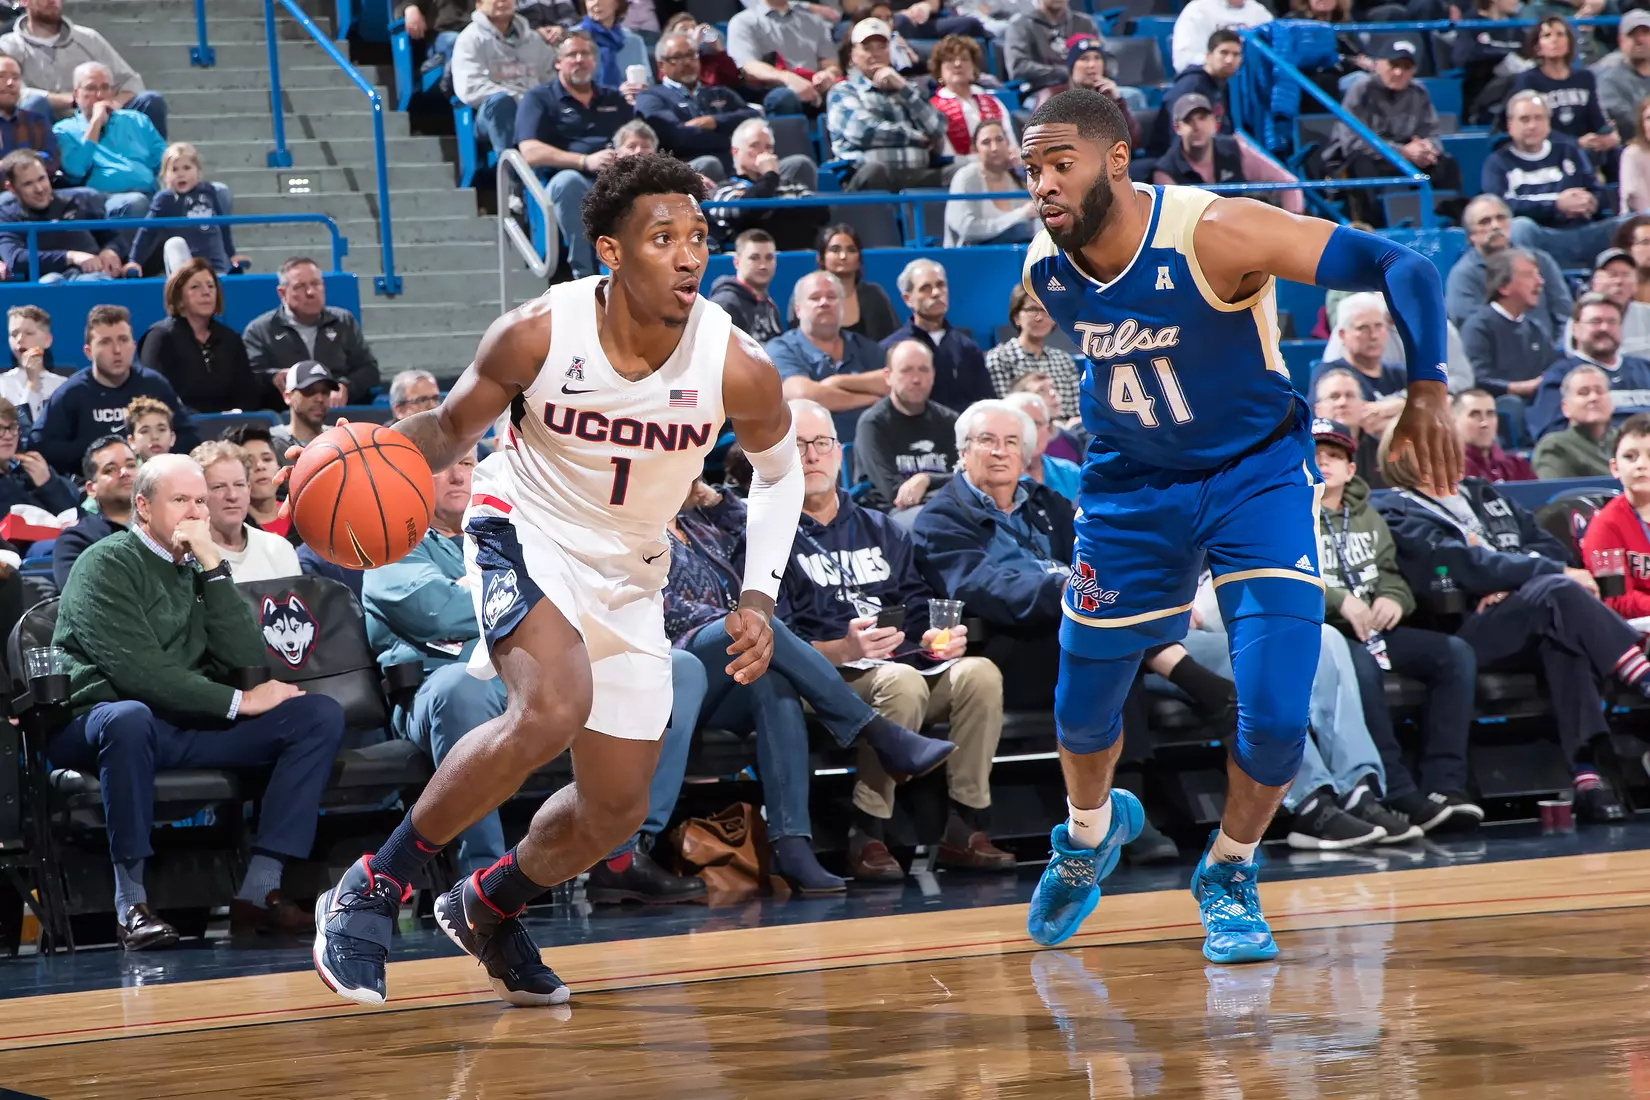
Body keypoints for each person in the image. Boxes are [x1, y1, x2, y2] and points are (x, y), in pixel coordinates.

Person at [311, 154, 848, 1010]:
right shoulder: (536, 332)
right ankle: (374, 884)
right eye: (661, 238)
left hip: (633, 569)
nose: (686, 257)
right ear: (609, 251)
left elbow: (780, 474)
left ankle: (485, 905)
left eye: (697, 240)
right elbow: (449, 431)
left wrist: (756, 595)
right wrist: (357, 454)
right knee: (550, 707)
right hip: (524, 527)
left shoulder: (735, 362)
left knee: (614, 809)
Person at [1014, 88, 1459, 961]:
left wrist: (1428, 391)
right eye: (1031, 169)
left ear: (1115, 160)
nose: (1043, 184)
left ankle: (1229, 870)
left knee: (1279, 711)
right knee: (1082, 702)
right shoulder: (1046, 266)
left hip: (1252, 478)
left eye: (1059, 163)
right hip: (1130, 488)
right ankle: (1088, 831)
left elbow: (1406, 267)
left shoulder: (1214, 230)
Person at [49, 453, 344, 949]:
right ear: (143, 507)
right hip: (102, 721)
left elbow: (251, 660)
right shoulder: (103, 564)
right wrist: (237, 702)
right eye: (180, 500)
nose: (195, 513)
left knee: (316, 715)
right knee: (129, 717)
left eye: (200, 501)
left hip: (183, 724)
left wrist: (213, 567)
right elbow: (139, 673)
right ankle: (132, 904)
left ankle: (260, 890)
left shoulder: (200, 570)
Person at [663, 472, 955, 889]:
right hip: (677, 659)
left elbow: (755, 521)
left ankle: (792, 846)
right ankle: (877, 731)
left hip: (729, 665)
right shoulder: (637, 532)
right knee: (755, 622)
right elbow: (666, 610)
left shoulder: (700, 524)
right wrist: (732, 620)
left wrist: (707, 493)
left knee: (774, 687)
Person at [781, 399, 1011, 879]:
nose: (811, 455)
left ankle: (964, 826)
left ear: (839, 454)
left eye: (821, 444)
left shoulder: (880, 528)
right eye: (798, 445)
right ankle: (868, 832)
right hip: (825, 680)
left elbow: (917, 601)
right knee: (900, 684)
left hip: (900, 665)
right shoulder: (768, 535)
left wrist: (935, 640)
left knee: (979, 674)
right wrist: (842, 650)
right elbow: (776, 638)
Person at [1376, 439, 1643, 825]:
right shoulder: (1395, 509)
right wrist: (1526, 574)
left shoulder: (1485, 495)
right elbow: (1456, 564)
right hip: (1466, 631)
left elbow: (1548, 547)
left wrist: (1511, 581)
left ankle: (1589, 777)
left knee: (1564, 639)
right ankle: (1640, 673)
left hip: (1531, 612)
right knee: (1557, 590)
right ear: (1402, 458)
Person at [1313, 418, 1483, 836]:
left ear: (1352, 469)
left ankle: (1445, 786)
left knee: (1454, 654)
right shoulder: (1286, 517)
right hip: (1327, 636)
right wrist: (1339, 601)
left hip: (1377, 629)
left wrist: (1394, 598)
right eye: (1314, 456)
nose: (1324, 463)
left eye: (1334, 456)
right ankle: (1397, 789)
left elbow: (1389, 574)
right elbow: (1287, 580)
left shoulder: (1368, 516)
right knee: (1360, 669)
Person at [513, 30, 634, 280]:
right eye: (572, 54)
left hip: (614, 177)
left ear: (594, 60)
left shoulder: (614, 98)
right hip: (561, 181)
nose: (579, 59)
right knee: (571, 182)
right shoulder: (539, 98)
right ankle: (586, 276)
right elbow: (529, 151)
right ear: (558, 62)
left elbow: (638, 136)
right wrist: (584, 161)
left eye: (585, 53)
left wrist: (627, 151)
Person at [31, 306, 196, 476]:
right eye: (105, 342)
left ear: (133, 346)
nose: (117, 350)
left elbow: (188, 437)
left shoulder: (154, 385)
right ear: (88, 352)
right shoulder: (72, 393)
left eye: (123, 340)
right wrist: (94, 452)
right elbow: (41, 444)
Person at [1486, 91, 1624, 269]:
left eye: (1538, 118)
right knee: (1519, 227)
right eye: (1525, 119)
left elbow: (1598, 194)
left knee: (1636, 222)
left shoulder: (1569, 151)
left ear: (1548, 123)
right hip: (1540, 238)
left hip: (1583, 232)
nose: (1532, 125)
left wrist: (1590, 202)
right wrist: (1556, 204)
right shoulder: (1498, 163)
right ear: (1510, 125)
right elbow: (1501, 208)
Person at [1326, 42, 1460, 220]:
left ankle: (1449, 223)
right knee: (1362, 166)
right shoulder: (1361, 90)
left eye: (1406, 67)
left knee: (1446, 164)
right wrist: (1402, 152)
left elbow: (1432, 133)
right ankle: (1374, 226)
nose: (1398, 72)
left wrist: (1427, 147)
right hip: (1368, 157)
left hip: (1406, 157)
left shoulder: (1418, 92)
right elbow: (1353, 143)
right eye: (1394, 65)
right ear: (1379, 64)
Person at [0, 0, 168, 135]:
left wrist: (111, 103)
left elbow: (130, 81)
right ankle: (41, 172)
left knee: (150, 100)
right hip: (51, 124)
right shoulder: (7, 46)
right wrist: (74, 100)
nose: (53, 1)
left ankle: (163, 169)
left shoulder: (89, 38)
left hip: (101, 116)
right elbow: (16, 93)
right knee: (33, 105)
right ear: (24, 1)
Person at [826, 20, 953, 193]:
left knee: (962, 172)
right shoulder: (844, 90)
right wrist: (917, 137)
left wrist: (903, 88)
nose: (875, 53)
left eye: (881, 47)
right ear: (853, 54)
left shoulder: (908, 89)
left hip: (918, 175)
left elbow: (938, 128)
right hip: (869, 176)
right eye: (867, 48)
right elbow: (865, 132)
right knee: (875, 170)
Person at [242, 258, 381, 405]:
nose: (310, 292)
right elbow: (247, 380)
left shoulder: (343, 321)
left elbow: (369, 370)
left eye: (316, 284)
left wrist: (346, 387)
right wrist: (272, 378)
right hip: (286, 416)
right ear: (282, 293)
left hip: (339, 413)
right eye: (300, 286)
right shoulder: (259, 330)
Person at [768, 270, 888, 440]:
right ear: (798, 309)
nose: (824, 303)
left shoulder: (865, 347)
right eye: (815, 298)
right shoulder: (781, 349)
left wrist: (838, 382)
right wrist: (869, 399)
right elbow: (804, 395)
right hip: (811, 452)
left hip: (870, 447)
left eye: (831, 297)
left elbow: (893, 382)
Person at [136, 260, 267, 415]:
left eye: (211, 286)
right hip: (180, 427)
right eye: (195, 287)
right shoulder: (160, 338)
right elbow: (155, 396)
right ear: (178, 298)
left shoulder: (230, 339)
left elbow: (247, 392)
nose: (206, 292)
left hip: (232, 426)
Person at [0, 148, 138, 282]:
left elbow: (112, 237)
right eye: (28, 184)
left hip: (95, 276)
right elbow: (15, 258)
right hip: (50, 281)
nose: (39, 189)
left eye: (41, 179)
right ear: (11, 188)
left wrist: (110, 250)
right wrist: (70, 257)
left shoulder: (78, 200)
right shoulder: (7, 215)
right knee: (52, 281)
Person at [1150, 93, 1303, 213]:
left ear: (1215, 123)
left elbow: (1289, 184)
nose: (1197, 126)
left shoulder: (1235, 149)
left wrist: (1296, 224)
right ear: (1177, 128)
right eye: (1188, 120)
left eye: (1202, 118)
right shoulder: (1166, 171)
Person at [1446, 194, 1571, 340]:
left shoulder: (1542, 261)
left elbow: (1565, 318)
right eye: (1484, 222)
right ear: (1471, 235)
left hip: (1550, 355)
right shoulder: (1463, 275)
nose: (1495, 226)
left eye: (1501, 218)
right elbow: (1472, 331)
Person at [1527, 294, 1650, 440]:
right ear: (1575, 328)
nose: (1604, 328)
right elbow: (1551, 435)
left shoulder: (1644, 368)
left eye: (1612, 322)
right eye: (1595, 321)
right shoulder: (1560, 375)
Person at [853, 338, 957, 511]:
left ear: (933, 375)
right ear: (888, 376)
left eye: (924, 370)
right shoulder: (872, 424)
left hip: (948, 508)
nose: (916, 379)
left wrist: (927, 479)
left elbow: (968, 478)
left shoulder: (950, 421)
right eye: (906, 370)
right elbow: (894, 493)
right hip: (890, 518)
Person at [634, 32, 758, 177]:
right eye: (678, 57)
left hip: (735, 166)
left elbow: (754, 118)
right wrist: (730, 138)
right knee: (710, 163)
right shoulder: (651, 97)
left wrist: (714, 122)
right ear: (661, 65)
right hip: (686, 170)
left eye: (691, 55)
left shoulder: (719, 92)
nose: (687, 62)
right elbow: (677, 138)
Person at [880, 258, 994, 412]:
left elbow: (986, 403)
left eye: (940, 285)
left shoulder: (967, 348)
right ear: (907, 299)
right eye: (925, 288)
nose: (936, 293)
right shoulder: (890, 349)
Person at [1457, 247, 1557, 415]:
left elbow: (1553, 368)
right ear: (1503, 286)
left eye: (1537, 275)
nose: (1540, 282)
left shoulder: (1536, 329)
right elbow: (1476, 379)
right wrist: (1519, 388)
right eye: (1528, 275)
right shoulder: (1478, 327)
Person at [451, 0, 558, 155]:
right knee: (500, 101)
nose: (502, 1)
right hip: (491, 115)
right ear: (479, 4)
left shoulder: (534, 40)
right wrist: (520, 100)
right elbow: (471, 88)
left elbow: (550, 78)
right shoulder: (470, 38)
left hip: (534, 110)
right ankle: (513, 172)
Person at [53, 62, 163, 210]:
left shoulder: (136, 120)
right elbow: (76, 171)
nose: (99, 95)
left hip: (148, 194)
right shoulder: (64, 130)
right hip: (104, 201)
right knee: (136, 203)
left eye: (105, 87)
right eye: (91, 88)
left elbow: (163, 162)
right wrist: (95, 123)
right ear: (76, 94)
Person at [704, 118, 825, 251]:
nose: (763, 153)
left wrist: (764, 219)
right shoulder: (723, 190)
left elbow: (820, 214)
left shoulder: (791, 186)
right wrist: (770, 175)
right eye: (755, 145)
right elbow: (746, 213)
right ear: (735, 151)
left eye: (768, 147)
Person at [189, 440, 302, 582]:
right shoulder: (188, 558)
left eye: (239, 485)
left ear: (248, 489)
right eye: (219, 487)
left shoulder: (279, 549)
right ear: (199, 496)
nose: (232, 495)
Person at [130, 143, 246, 276]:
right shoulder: (164, 199)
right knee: (175, 244)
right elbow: (147, 231)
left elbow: (223, 227)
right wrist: (135, 261)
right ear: (165, 175)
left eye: (186, 168)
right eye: (174, 169)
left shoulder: (209, 191)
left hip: (215, 267)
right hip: (185, 268)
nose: (181, 174)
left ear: (198, 171)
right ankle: (184, 280)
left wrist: (232, 255)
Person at [1511, 16, 1618, 159]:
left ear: (1569, 43)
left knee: (1617, 153)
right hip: (1546, 148)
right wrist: (1575, 142)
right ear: (1538, 47)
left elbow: (1596, 118)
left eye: (1560, 34)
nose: (1554, 40)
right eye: (1547, 35)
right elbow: (1533, 125)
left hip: (1585, 147)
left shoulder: (1585, 77)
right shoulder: (1529, 80)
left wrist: (1608, 135)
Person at [1578, 412, 1650, 618]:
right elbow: (1616, 599)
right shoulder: (1606, 525)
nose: (1640, 465)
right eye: (1630, 457)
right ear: (1615, 467)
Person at [1310, 293, 1408, 432]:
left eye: (1378, 326)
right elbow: (1350, 423)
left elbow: (1440, 400)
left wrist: (1395, 405)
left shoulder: (1399, 373)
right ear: (1343, 335)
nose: (1373, 335)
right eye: (1363, 328)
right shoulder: (1329, 375)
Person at [724, 0, 840, 117]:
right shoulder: (743, 22)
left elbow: (830, 63)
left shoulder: (814, 20)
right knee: (784, 97)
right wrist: (787, 78)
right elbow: (748, 67)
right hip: (774, 89)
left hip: (816, 87)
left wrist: (828, 74)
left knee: (843, 90)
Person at [51, 434, 135, 588]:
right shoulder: (76, 540)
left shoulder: (166, 526)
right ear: (91, 489)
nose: (125, 472)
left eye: (131, 465)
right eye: (110, 469)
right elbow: (82, 598)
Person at [985, 285, 1081, 415]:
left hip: (1068, 431)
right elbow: (1006, 411)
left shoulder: (1064, 360)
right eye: (1032, 309)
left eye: (1045, 311)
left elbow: (1077, 410)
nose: (1039, 317)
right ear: (1016, 317)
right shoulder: (1000, 359)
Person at [945, 120, 1039, 247]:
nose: (994, 148)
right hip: (971, 257)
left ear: (1008, 144)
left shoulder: (1018, 176)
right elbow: (967, 228)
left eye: (999, 140)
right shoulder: (965, 177)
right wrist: (1020, 214)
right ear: (975, 150)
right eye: (986, 142)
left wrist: (1024, 169)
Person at [1151, 29, 1243, 158]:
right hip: (1175, 162)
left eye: (1236, 54)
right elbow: (1179, 138)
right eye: (1224, 53)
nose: (1229, 60)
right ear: (1208, 56)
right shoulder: (1191, 86)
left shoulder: (1223, 85)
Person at [928, 35, 1014, 160]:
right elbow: (946, 154)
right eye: (950, 60)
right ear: (939, 70)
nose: (958, 64)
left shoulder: (993, 102)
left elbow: (1010, 142)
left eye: (964, 59)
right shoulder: (934, 108)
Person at [813, 223, 899, 341]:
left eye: (851, 250)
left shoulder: (874, 294)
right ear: (820, 258)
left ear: (859, 259)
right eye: (835, 250)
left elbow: (894, 339)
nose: (843, 256)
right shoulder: (808, 295)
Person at [1004, 0, 1101, 102]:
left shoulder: (1085, 23)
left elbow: (1107, 58)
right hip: (1038, 93)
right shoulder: (1020, 26)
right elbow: (1018, 67)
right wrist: (1064, 73)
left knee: (1116, 94)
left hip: (1086, 90)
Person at [1532, 363, 1615, 478]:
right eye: (1583, 392)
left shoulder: (1625, 441)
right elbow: (1558, 493)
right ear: (1565, 407)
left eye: (1599, 391)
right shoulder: (1555, 446)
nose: (1593, 398)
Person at [1313, 366, 1386, 488]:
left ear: (1364, 406)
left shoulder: (1383, 452)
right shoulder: (1303, 452)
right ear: (1318, 410)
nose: (1342, 403)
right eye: (1334, 396)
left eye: (1350, 396)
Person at [708, 229, 784, 345]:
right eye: (754, 258)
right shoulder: (725, 304)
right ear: (737, 262)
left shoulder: (770, 305)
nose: (763, 265)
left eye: (769, 257)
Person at [0, 396, 71, 514]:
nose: (8, 436)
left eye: (12, 427)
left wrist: (48, 484)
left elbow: (76, 519)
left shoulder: (31, 474)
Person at [1005, 389, 1079, 501]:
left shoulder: (1071, 472)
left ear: (1048, 429)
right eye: (1021, 425)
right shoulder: (997, 480)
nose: (1029, 433)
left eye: (1035, 424)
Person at [220, 423, 290, 537]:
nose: (260, 466)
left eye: (267, 459)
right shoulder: (231, 528)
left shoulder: (302, 513)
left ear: (279, 466)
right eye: (249, 462)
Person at [1454, 387, 1536, 482]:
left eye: (1490, 414)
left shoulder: (1518, 467)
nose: (1485, 423)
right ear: (1453, 422)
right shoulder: (1447, 469)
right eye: (1474, 415)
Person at [2, 304, 63, 429]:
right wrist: (32, 383)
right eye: (14, 334)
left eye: (29, 333)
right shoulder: (2, 385)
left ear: (47, 340)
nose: (19, 339)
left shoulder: (62, 386)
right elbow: (23, 429)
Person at [1171, 0, 1270, 75]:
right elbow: (1183, 61)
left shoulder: (1260, 13)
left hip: (1253, 87)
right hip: (1209, 84)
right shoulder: (1197, 11)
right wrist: (1223, 66)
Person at [578, 0, 652, 99]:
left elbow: (649, 82)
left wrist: (636, 89)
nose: (596, 2)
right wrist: (616, 93)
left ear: (618, 3)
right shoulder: (573, 39)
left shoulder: (634, 41)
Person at [0, 55, 57, 178]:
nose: (10, 83)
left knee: (88, 194)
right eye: (1, 76)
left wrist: (9, 165)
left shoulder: (36, 120)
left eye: (15, 78)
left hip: (37, 191)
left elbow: (51, 160)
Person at [1598, 10, 1650, 142]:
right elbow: (1626, 122)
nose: (1640, 40)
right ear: (1620, 41)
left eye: (1645, 33)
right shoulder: (1609, 80)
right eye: (1632, 35)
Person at [270, 360, 338, 461]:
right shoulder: (271, 443)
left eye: (325, 392)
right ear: (288, 397)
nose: (320, 399)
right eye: (310, 391)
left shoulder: (338, 438)